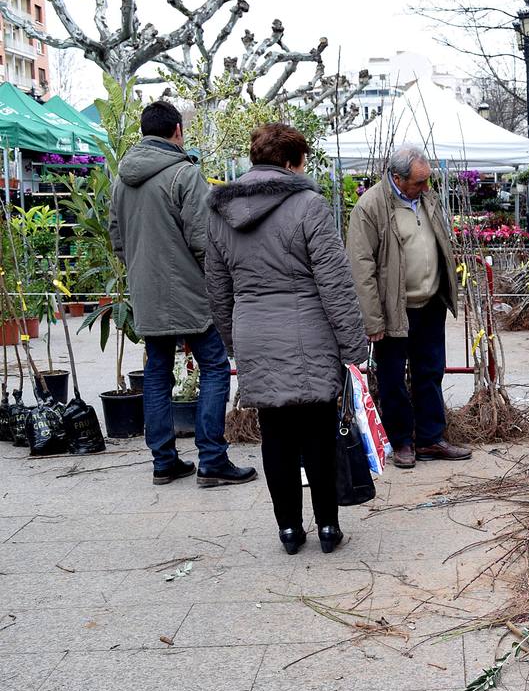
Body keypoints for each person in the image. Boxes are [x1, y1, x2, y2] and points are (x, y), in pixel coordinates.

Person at [207, 124, 368, 555]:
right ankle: (329, 527)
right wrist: (354, 347)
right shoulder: (308, 205)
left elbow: (218, 286)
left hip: (254, 329)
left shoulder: (220, 210)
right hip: (310, 331)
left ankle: (289, 531)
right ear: (292, 163)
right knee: (318, 431)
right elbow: (335, 283)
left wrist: (233, 341)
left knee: (274, 433)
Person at [109, 100, 255, 488]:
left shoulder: (121, 179)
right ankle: (212, 459)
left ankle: (164, 462)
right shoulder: (185, 174)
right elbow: (202, 240)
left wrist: (142, 269)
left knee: (156, 373)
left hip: (145, 290)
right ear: (177, 131)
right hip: (189, 290)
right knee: (215, 365)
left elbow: (116, 238)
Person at [347, 145, 471, 469]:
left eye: (427, 180)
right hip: (393, 309)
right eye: (418, 182)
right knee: (392, 378)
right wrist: (373, 319)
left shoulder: (426, 198)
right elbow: (361, 267)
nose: (426, 187)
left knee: (430, 371)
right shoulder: (371, 206)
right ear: (398, 178)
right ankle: (401, 441)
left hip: (429, 304)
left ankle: (431, 438)